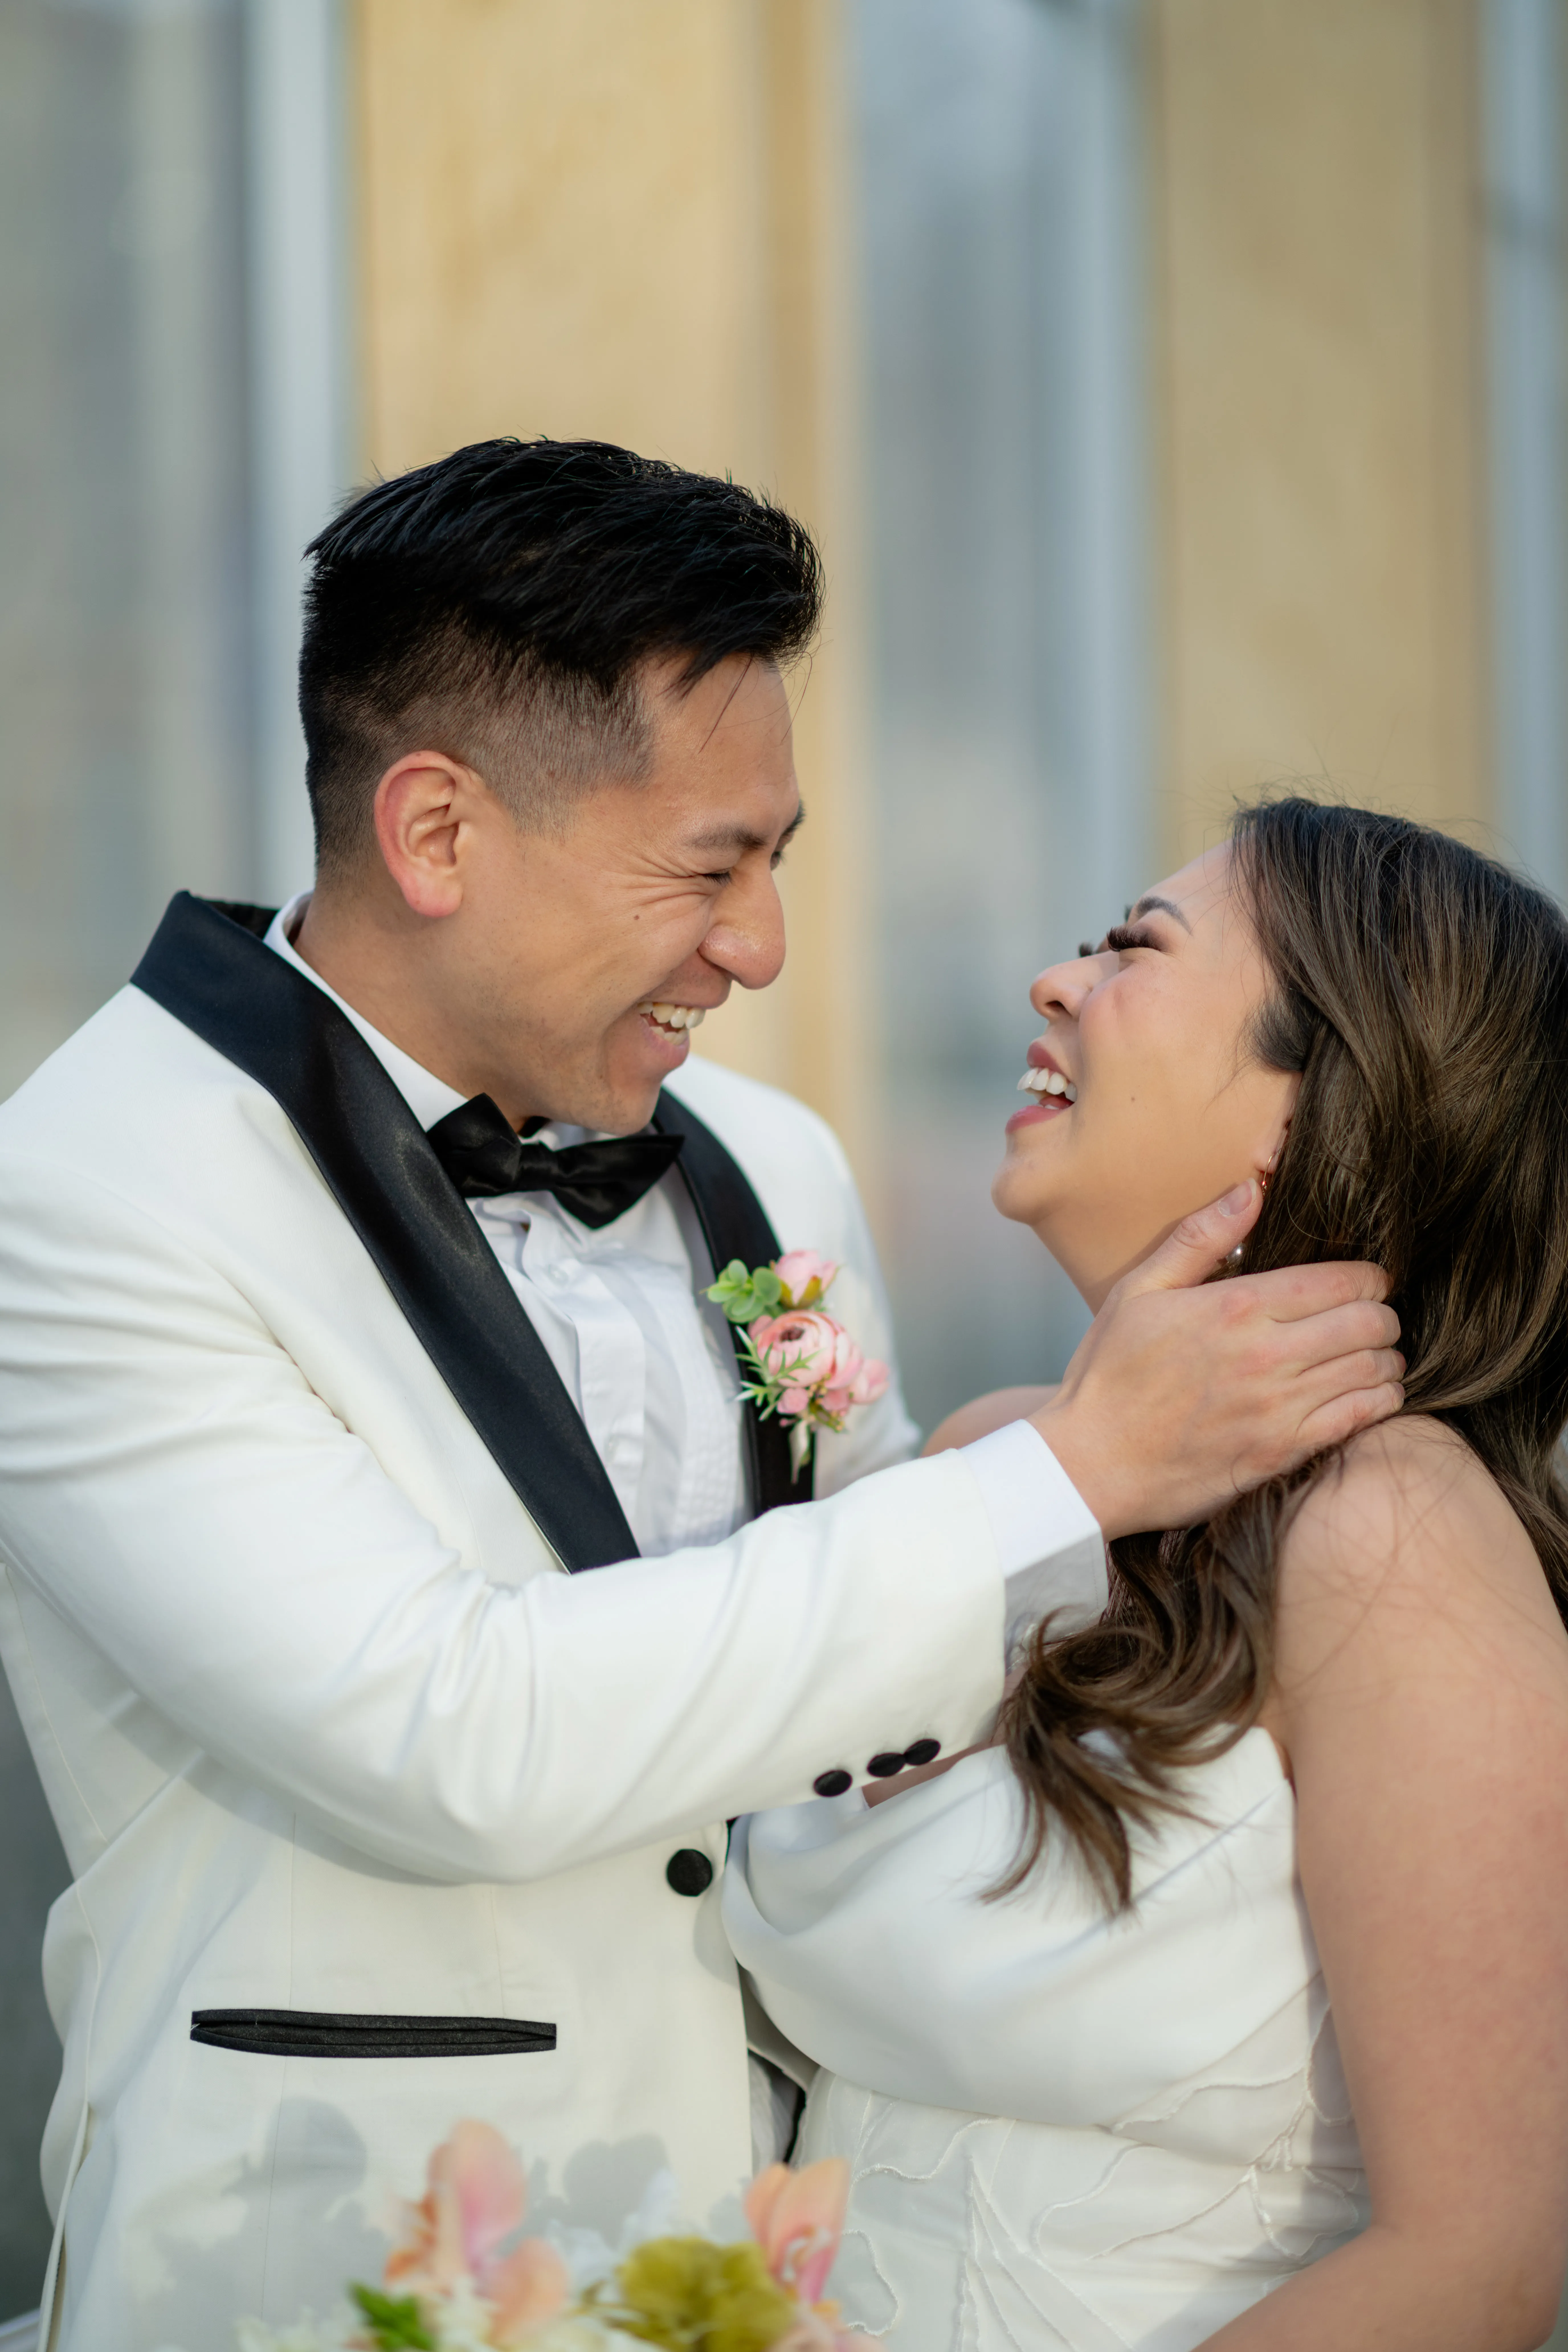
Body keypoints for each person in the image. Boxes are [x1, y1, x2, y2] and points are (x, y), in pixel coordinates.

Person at [0, 445, 1401, 2352]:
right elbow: (445, 1732)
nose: (761, 946)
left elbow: (865, 1669)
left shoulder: (766, 1162)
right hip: (323, 2270)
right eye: (709, 866)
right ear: (435, 834)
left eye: (780, 857)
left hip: (782, 2265)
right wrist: (1070, 1467)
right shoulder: (87, 1196)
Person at [727, 797, 1568, 2352]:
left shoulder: (1387, 1536)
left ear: (1317, 1108)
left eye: (1132, 949)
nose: (1054, 981)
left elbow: (1479, 2266)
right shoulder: (991, 1463)